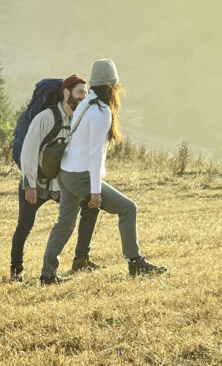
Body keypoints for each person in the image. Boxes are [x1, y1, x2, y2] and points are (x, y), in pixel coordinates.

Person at [39, 59, 167, 284]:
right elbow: (95, 154)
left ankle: (48, 274)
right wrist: (95, 191)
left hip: (66, 172)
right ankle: (135, 262)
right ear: (112, 86)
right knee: (128, 208)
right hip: (80, 176)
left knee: (65, 224)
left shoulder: (86, 103)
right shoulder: (101, 111)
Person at [10, 74, 100, 282]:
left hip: (61, 184)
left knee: (91, 206)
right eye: (79, 92)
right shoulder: (46, 118)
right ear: (66, 92)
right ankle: (16, 271)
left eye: (85, 94)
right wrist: (29, 184)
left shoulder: (79, 120)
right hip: (36, 184)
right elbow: (29, 152)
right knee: (24, 226)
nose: (82, 97)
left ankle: (81, 259)